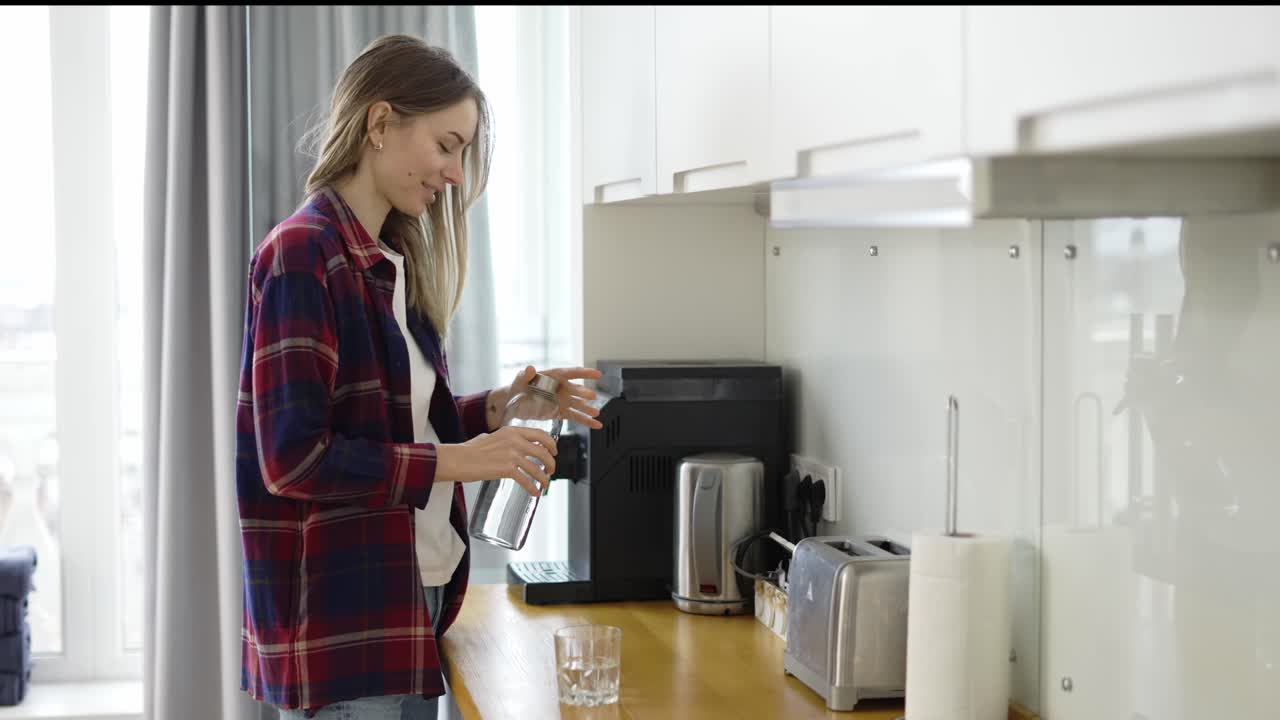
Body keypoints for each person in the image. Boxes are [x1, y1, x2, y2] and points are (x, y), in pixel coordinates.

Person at [234, 34, 603, 719]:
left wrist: (494, 409)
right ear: (380, 124)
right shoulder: (303, 254)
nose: (456, 172)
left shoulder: (384, 260)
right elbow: (292, 459)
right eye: (446, 145)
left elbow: (386, 425)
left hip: (408, 597)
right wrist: (457, 462)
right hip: (341, 625)